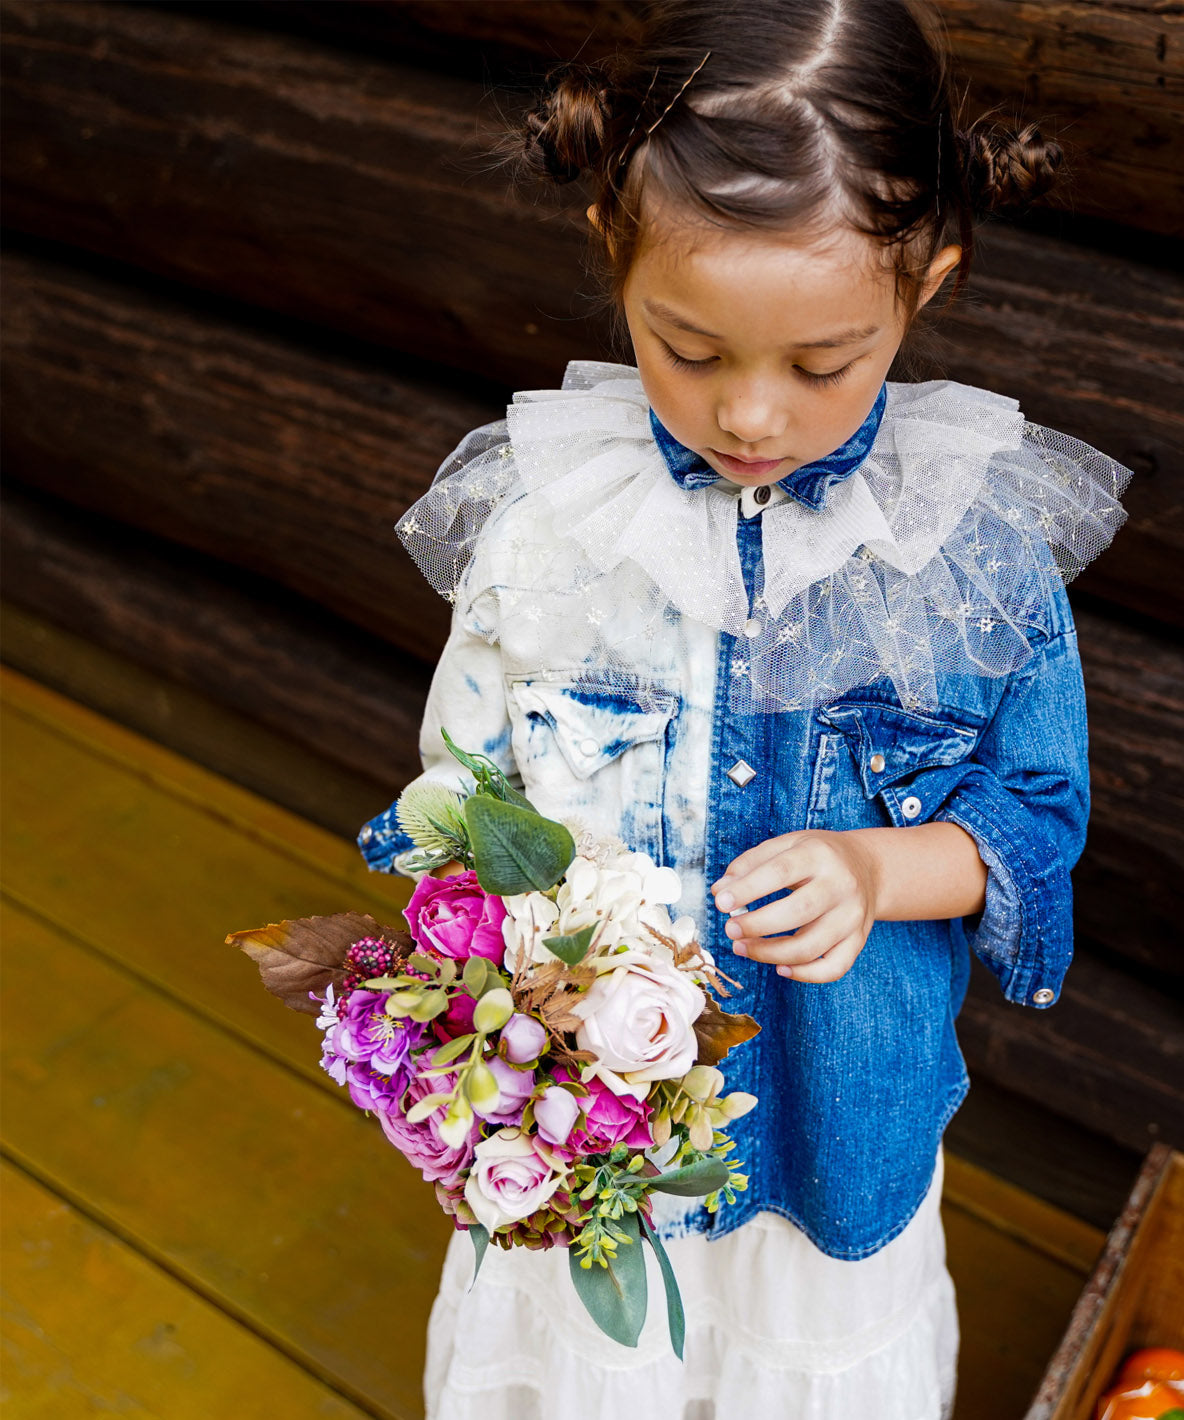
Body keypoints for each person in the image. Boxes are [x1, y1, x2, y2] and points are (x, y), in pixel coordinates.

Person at [357, 2, 1131, 1415]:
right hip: (596, 1140)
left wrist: (877, 868)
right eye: (690, 348)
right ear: (614, 258)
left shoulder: (967, 559)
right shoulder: (553, 536)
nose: (753, 415)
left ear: (927, 285)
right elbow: (456, 797)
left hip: (834, 1139)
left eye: (821, 363)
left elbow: (1033, 817)